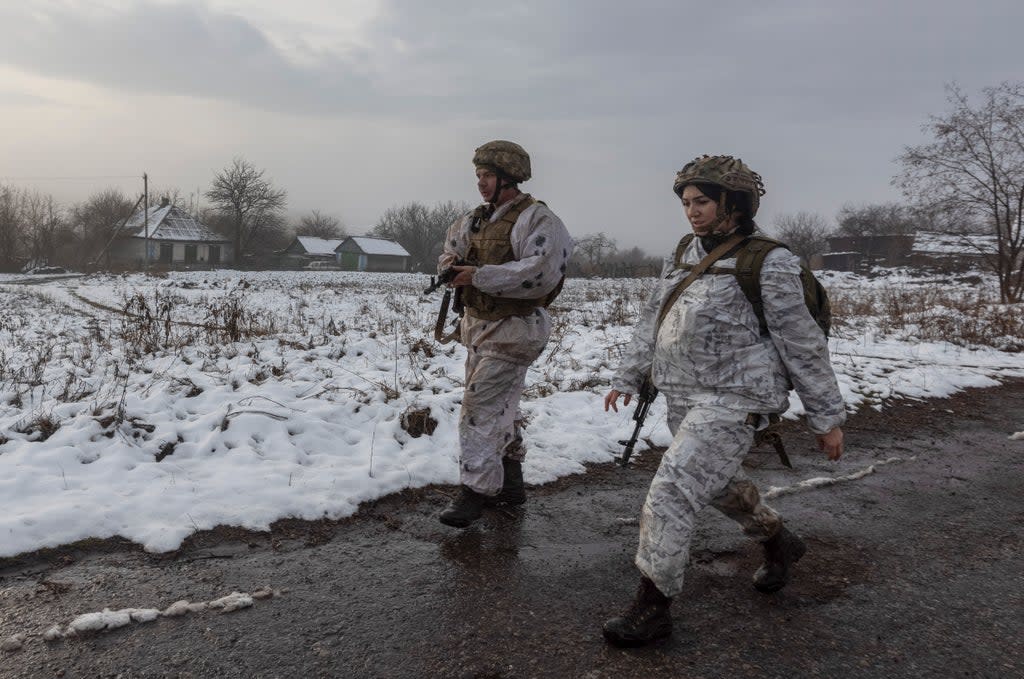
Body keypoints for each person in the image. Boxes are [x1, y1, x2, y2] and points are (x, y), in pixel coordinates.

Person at [601, 155, 846, 647]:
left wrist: (826, 417)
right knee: (714, 485)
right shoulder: (684, 253)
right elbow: (656, 315)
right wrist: (630, 373)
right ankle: (778, 540)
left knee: (671, 491)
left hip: (737, 397)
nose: (692, 211)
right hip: (682, 393)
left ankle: (654, 605)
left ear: (733, 203)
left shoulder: (769, 261)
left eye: (703, 202)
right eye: (687, 202)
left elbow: (801, 342)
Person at [436, 140, 574, 528]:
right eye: (478, 175)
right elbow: (450, 248)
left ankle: (475, 491)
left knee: (479, 409)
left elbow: (538, 273)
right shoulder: (475, 219)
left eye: (488, 175)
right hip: (478, 327)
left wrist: (478, 275)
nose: (481, 183)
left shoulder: (539, 221)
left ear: (509, 178)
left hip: (515, 330)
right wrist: (451, 266)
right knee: (502, 410)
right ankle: (510, 483)